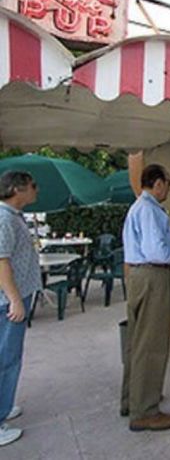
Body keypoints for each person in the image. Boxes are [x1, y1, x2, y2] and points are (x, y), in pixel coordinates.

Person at [121, 164, 170, 431]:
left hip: (138, 276)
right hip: (152, 276)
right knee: (151, 345)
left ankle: (132, 399)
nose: (169, 189)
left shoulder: (138, 207)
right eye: (169, 183)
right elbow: (157, 252)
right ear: (158, 183)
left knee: (137, 342)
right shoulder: (150, 210)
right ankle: (145, 411)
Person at [0, 171, 41, 447]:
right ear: (17, 189)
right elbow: (1, 262)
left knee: (8, 356)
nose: (36, 190)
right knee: (7, 358)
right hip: (8, 301)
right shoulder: (4, 219)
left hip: (14, 296)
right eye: (32, 186)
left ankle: (4, 404)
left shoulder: (13, 217)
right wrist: (14, 299)